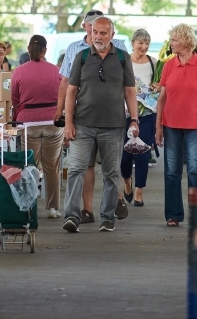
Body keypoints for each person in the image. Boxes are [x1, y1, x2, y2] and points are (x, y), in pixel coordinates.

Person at [62, 17, 138, 233]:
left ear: (112, 35)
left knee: (111, 172)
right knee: (76, 169)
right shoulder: (82, 57)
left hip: (114, 126)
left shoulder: (123, 58)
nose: (97, 36)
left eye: (103, 33)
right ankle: (72, 216)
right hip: (82, 125)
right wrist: (68, 122)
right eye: (95, 32)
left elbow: (130, 91)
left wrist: (134, 120)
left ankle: (107, 217)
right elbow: (71, 90)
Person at [155, 24, 197, 228]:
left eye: (174, 40)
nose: (171, 43)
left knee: (193, 169)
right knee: (172, 171)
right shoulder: (169, 65)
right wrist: (158, 126)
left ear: (185, 41)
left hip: (196, 126)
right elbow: (162, 98)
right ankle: (173, 214)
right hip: (171, 124)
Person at [11, 35, 64, 219]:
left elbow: (14, 99)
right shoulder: (56, 70)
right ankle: (52, 208)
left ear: (28, 48)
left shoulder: (18, 71)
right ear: (45, 50)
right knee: (52, 166)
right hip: (52, 122)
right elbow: (62, 96)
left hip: (28, 123)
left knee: (29, 166)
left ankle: (28, 206)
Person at [121, 29, 158, 208]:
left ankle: (139, 192)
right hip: (125, 115)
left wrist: (156, 86)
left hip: (147, 114)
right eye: (140, 43)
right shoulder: (124, 61)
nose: (143, 47)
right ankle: (127, 181)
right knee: (125, 154)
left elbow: (159, 84)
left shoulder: (154, 62)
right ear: (133, 43)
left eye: (146, 44)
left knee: (143, 154)